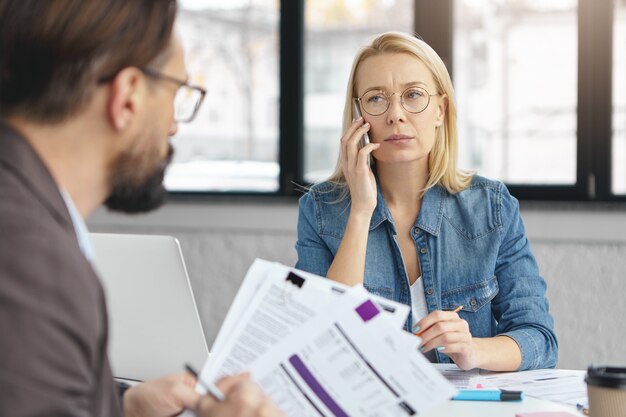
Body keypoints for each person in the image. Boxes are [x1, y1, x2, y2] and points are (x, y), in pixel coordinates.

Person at [0, 1, 282, 416]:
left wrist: (125, 405)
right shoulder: (34, 261)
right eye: (178, 94)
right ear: (128, 96)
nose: (175, 126)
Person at [295, 31, 558, 372]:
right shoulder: (321, 210)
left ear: (440, 109)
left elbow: (540, 339)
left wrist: (473, 349)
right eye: (376, 99)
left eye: (413, 95)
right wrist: (361, 210)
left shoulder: (491, 208)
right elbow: (317, 342)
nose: (395, 115)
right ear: (358, 116)